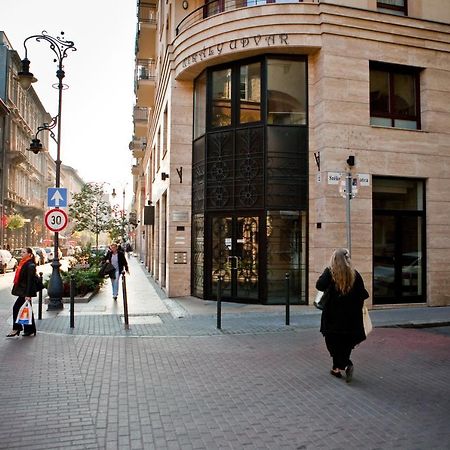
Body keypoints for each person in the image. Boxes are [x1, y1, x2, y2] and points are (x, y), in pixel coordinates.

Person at [316, 248, 369, 382]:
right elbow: (363, 294)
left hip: (333, 316)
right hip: (351, 317)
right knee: (346, 343)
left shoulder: (330, 272)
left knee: (332, 341)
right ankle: (337, 368)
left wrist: (326, 272)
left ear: (334, 260)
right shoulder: (355, 274)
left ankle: (346, 364)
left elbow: (320, 285)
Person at [6, 247, 38, 337]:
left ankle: (17, 328)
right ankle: (30, 329)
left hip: (25, 292)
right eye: (21, 252)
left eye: (24, 252)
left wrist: (28, 295)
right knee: (28, 310)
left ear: (29, 254)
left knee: (16, 308)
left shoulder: (30, 265)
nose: (21, 254)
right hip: (24, 291)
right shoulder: (23, 263)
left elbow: (30, 281)